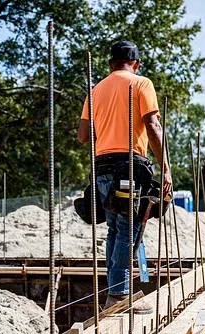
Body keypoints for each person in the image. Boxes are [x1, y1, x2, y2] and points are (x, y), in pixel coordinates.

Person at [78, 40, 172, 312]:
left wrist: (107, 127)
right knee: (129, 228)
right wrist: (165, 167)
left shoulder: (95, 91)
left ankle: (114, 292)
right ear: (136, 64)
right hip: (129, 166)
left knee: (115, 228)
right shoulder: (142, 84)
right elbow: (153, 126)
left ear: (111, 65)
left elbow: (83, 136)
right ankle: (119, 295)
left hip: (102, 166)